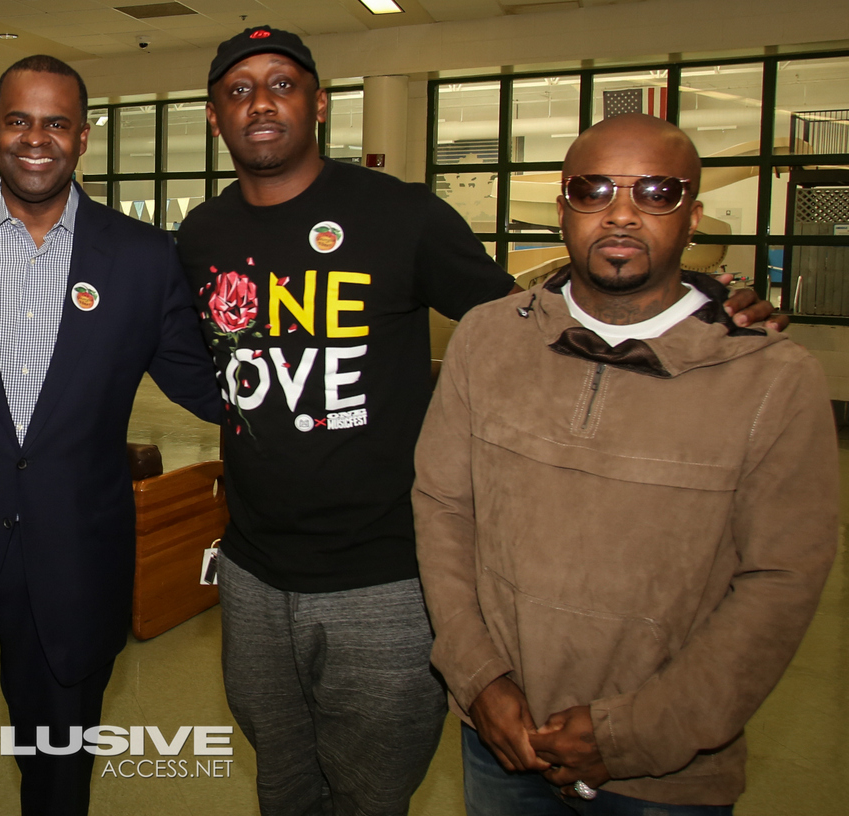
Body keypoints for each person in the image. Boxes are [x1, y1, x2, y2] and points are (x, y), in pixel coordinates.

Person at [173, 27, 786, 816]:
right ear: (216, 115)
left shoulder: (400, 216)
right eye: (239, 89)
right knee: (282, 782)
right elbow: (197, 357)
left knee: (370, 793)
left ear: (320, 105)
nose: (261, 101)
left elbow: (530, 318)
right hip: (253, 574)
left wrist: (694, 294)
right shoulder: (201, 236)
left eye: (283, 84)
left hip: (385, 576)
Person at [413, 112, 837, 815]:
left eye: (656, 193)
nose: (621, 214)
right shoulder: (488, 340)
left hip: (665, 776)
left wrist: (636, 733)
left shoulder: (772, 378)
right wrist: (479, 680)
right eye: (594, 189)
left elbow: (780, 581)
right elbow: (443, 510)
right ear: (563, 209)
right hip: (500, 741)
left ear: (694, 215)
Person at [0, 55, 221, 816]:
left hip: (75, 570)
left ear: (84, 136)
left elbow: (209, 390)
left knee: (59, 787)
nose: (36, 139)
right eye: (19, 120)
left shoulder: (142, 259)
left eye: (57, 123)